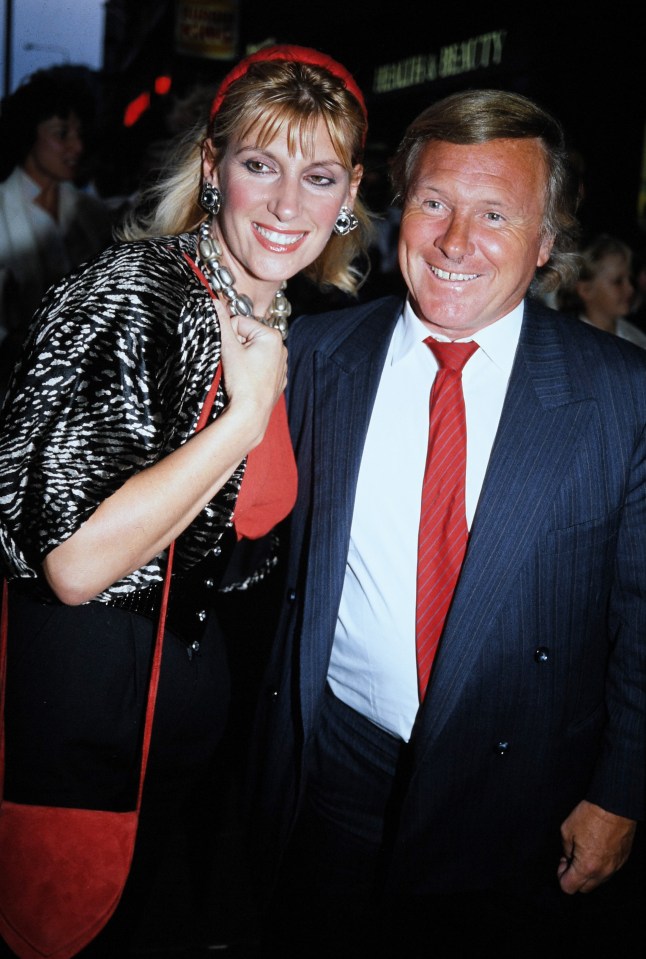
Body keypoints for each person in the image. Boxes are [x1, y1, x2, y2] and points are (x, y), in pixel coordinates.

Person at [247, 88, 646, 958]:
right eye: (433, 202)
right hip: (334, 781)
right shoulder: (310, 360)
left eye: (496, 213)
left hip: (528, 804)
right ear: (396, 215)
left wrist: (621, 789)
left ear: (546, 244)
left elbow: (643, 616)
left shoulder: (624, 396)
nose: (456, 242)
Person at [0, 44, 370, 957]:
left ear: (351, 191)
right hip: (88, 726)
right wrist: (243, 420)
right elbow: (77, 564)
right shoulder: (135, 295)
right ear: (212, 168)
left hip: (183, 726)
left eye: (318, 176)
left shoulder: (279, 310)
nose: (289, 206)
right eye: (260, 165)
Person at [0, 66, 114, 390]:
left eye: (79, 134)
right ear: (28, 134)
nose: (76, 147)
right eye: (62, 134)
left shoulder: (91, 214)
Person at [557, 233, 646, 348]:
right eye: (617, 281)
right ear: (586, 290)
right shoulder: (571, 343)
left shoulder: (637, 340)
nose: (630, 288)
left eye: (630, 279)